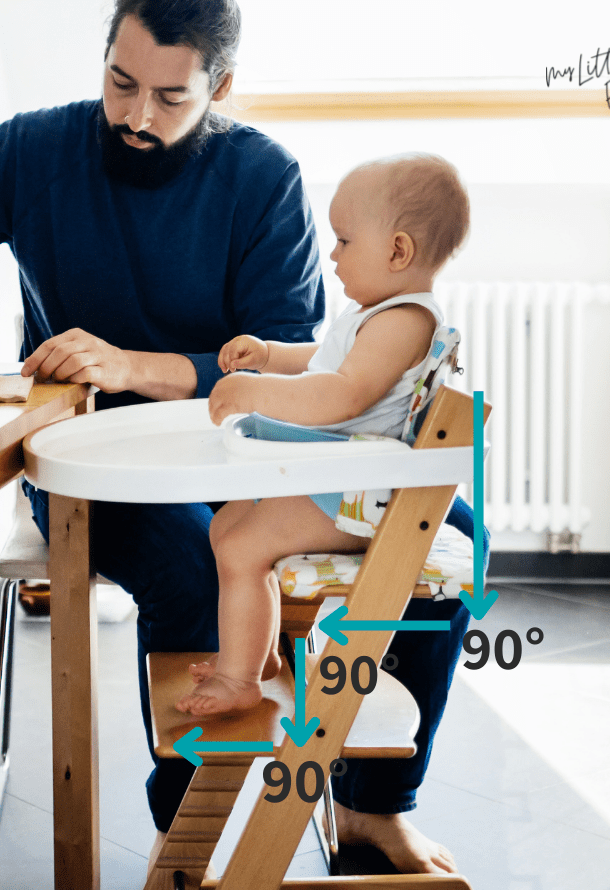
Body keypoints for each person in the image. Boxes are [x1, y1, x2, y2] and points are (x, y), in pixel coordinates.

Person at [0, 0, 487, 878]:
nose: (135, 116)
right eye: (120, 83)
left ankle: (370, 811)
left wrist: (138, 364)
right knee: (196, 564)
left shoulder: (261, 176)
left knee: (441, 539)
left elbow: (290, 359)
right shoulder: (35, 150)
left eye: (169, 97)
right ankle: (187, 843)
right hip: (90, 463)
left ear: (222, 87)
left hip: (247, 451)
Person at [177, 154, 469, 721]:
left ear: (398, 251)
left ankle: (239, 677)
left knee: (241, 548)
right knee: (228, 525)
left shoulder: (403, 321)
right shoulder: (378, 317)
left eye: (342, 240)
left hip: (357, 501)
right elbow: (324, 362)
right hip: (341, 484)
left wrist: (254, 391)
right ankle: (255, 655)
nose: (332, 255)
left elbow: (342, 393)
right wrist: (269, 356)